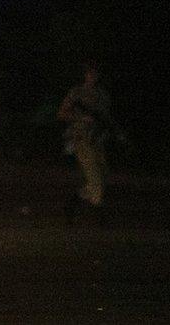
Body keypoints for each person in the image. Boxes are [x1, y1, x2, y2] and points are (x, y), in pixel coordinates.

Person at [58, 62, 112, 226]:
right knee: (94, 177)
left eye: (95, 73)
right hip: (81, 139)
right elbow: (61, 114)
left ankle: (72, 205)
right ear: (85, 74)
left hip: (97, 139)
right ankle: (99, 215)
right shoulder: (76, 93)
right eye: (89, 73)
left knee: (102, 177)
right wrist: (80, 118)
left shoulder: (103, 95)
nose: (92, 76)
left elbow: (106, 118)